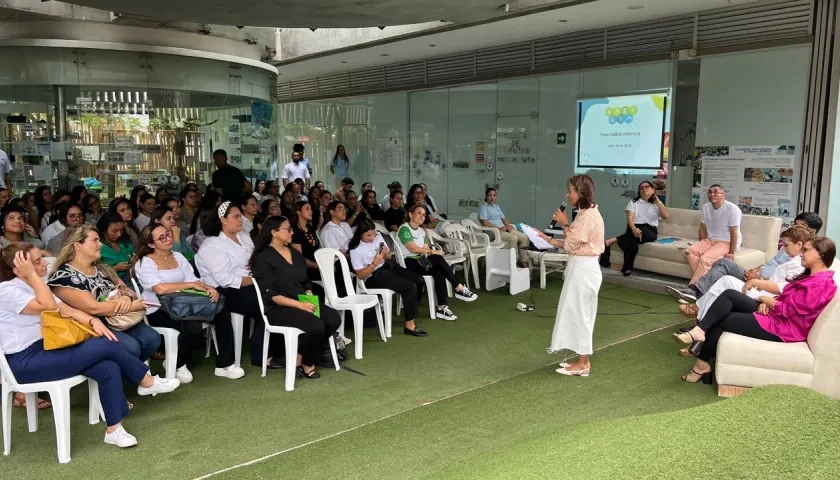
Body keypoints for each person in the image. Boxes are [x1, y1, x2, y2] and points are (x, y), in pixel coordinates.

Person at [0, 243, 179, 448]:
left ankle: (114, 429)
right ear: (19, 270)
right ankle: (145, 380)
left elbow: (67, 310)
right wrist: (32, 275)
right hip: (25, 362)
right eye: (36, 262)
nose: (43, 264)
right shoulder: (7, 290)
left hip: (49, 349)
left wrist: (93, 321)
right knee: (104, 344)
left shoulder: (35, 283)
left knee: (107, 367)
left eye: (41, 258)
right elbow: (48, 306)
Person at [674, 237, 837, 382]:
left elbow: (788, 310)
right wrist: (769, 301)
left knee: (723, 319)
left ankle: (701, 363)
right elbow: (787, 298)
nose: (801, 253)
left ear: (820, 254)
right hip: (776, 315)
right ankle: (700, 331)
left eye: (806, 250)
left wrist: (764, 298)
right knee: (730, 295)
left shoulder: (820, 284)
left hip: (783, 328)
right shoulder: (812, 277)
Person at [134, 224, 243, 381]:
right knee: (193, 327)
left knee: (221, 312)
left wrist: (207, 288)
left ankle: (225, 364)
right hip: (158, 309)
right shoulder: (144, 262)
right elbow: (160, 289)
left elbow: (194, 280)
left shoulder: (178, 257)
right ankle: (177, 363)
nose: (168, 239)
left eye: (168, 234)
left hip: (185, 304)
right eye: (162, 237)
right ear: (151, 244)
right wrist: (190, 285)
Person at [47, 225, 161, 361]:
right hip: (91, 327)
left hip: (117, 320)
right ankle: (136, 375)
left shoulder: (102, 269)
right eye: (95, 240)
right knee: (131, 347)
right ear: (78, 245)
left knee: (152, 339)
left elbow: (127, 290)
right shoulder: (63, 277)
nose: (100, 244)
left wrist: (125, 297)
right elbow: (93, 308)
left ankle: (134, 373)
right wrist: (131, 306)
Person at [250, 215, 341, 379]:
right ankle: (308, 363)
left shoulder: (294, 253)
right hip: (278, 308)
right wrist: (300, 305)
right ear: (274, 232)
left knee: (333, 318)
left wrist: (307, 293)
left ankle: (300, 356)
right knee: (316, 325)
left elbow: (305, 281)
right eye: (288, 229)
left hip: (301, 302)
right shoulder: (263, 257)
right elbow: (271, 295)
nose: (291, 232)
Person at [667, 212, 824, 305]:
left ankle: (695, 297)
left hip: (764, 285)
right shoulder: (788, 246)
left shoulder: (808, 254)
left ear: (811, 231)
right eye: (794, 224)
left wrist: (759, 278)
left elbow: (786, 282)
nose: (793, 228)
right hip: (758, 276)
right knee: (724, 263)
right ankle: (694, 291)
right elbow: (772, 262)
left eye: (799, 226)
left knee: (724, 277)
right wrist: (756, 269)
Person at [537, 174, 604, 377]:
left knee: (581, 314)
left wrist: (565, 224)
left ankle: (583, 362)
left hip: (584, 269)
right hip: (581, 267)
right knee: (576, 312)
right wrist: (546, 238)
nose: (568, 195)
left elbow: (572, 242)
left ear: (581, 193)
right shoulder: (586, 213)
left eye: (571, 191)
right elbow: (571, 245)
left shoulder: (588, 216)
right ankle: (581, 359)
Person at [686, 225, 811, 325]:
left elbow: (788, 290)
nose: (784, 248)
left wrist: (760, 284)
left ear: (799, 245)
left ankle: (699, 314)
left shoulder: (798, 265)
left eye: (786, 245)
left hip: (765, 297)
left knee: (726, 282)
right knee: (724, 280)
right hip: (762, 289)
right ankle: (700, 318)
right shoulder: (793, 260)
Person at [195, 201, 270, 367]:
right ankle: (261, 354)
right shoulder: (212, 245)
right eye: (236, 217)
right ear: (223, 220)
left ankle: (271, 349)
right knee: (267, 302)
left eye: (240, 216)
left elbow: (255, 261)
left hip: (249, 283)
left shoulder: (243, 237)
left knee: (278, 295)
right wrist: (257, 279)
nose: (240, 220)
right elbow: (226, 280)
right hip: (223, 292)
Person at [398, 204, 477, 321]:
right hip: (409, 263)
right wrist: (433, 252)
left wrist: (430, 253)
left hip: (420, 261)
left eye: (424, 214)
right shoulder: (404, 229)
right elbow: (413, 249)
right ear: (410, 214)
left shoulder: (422, 231)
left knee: (438, 272)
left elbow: (424, 250)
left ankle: (442, 307)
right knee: (437, 258)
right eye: (419, 212)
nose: (422, 216)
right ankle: (458, 287)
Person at [350, 220, 427, 337]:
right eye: (368, 235)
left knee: (419, 280)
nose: (372, 238)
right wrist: (374, 264)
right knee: (409, 287)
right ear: (360, 234)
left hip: (388, 267)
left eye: (373, 234)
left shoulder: (378, 237)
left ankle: (412, 313)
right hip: (373, 276)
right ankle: (409, 325)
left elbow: (389, 257)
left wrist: (386, 254)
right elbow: (360, 275)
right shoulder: (355, 249)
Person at [599, 181, 669, 276]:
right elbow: (630, 218)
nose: (644, 189)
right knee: (632, 244)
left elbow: (666, 216)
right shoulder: (634, 202)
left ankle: (610, 242)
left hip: (650, 230)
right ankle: (627, 269)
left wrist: (659, 202)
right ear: (639, 191)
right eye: (641, 188)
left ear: (653, 189)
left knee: (640, 233)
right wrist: (633, 228)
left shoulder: (657, 204)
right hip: (634, 228)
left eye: (647, 187)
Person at [685, 184, 742, 284]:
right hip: (710, 240)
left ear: (723, 195)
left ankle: (693, 288)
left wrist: (732, 252)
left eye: (716, 192)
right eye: (710, 192)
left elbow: (734, 232)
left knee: (705, 259)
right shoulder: (706, 207)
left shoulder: (732, 209)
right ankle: (706, 282)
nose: (712, 194)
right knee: (690, 251)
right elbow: (703, 228)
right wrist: (701, 244)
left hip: (726, 242)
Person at [478, 187, 530, 267]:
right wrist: (498, 228)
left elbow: (504, 218)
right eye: (490, 195)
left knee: (524, 237)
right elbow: (484, 222)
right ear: (486, 196)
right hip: (492, 232)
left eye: (494, 195)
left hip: (503, 229)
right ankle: (512, 263)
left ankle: (523, 261)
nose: (492, 197)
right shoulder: (483, 207)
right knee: (513, 238)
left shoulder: (496, 207)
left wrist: (508, 226)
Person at [98, 212, 135, 283]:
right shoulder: (98, 247)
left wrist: (134, 261)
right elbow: (97, 274)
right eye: (115, 231)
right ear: (104, 229)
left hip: (132, 279)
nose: (119, 234)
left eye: (121, 230)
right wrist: (116, 268)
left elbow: (133, 255)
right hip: (112, 282)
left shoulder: (124, 243)